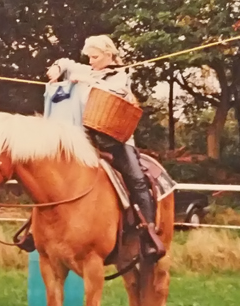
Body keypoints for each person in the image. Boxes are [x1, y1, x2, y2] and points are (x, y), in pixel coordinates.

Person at [43, 35, 166, 262]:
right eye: (88, 57)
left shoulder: (122, 77)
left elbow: (111, 91)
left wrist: (86, 81)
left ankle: (148, 232)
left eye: (95, 57)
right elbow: (67, 63)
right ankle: (38, 230)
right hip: (86, 140)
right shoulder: (88, 70)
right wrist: (57, 68)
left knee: (137, 179)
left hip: (116, 141)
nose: (90, 61)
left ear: (109, 55)